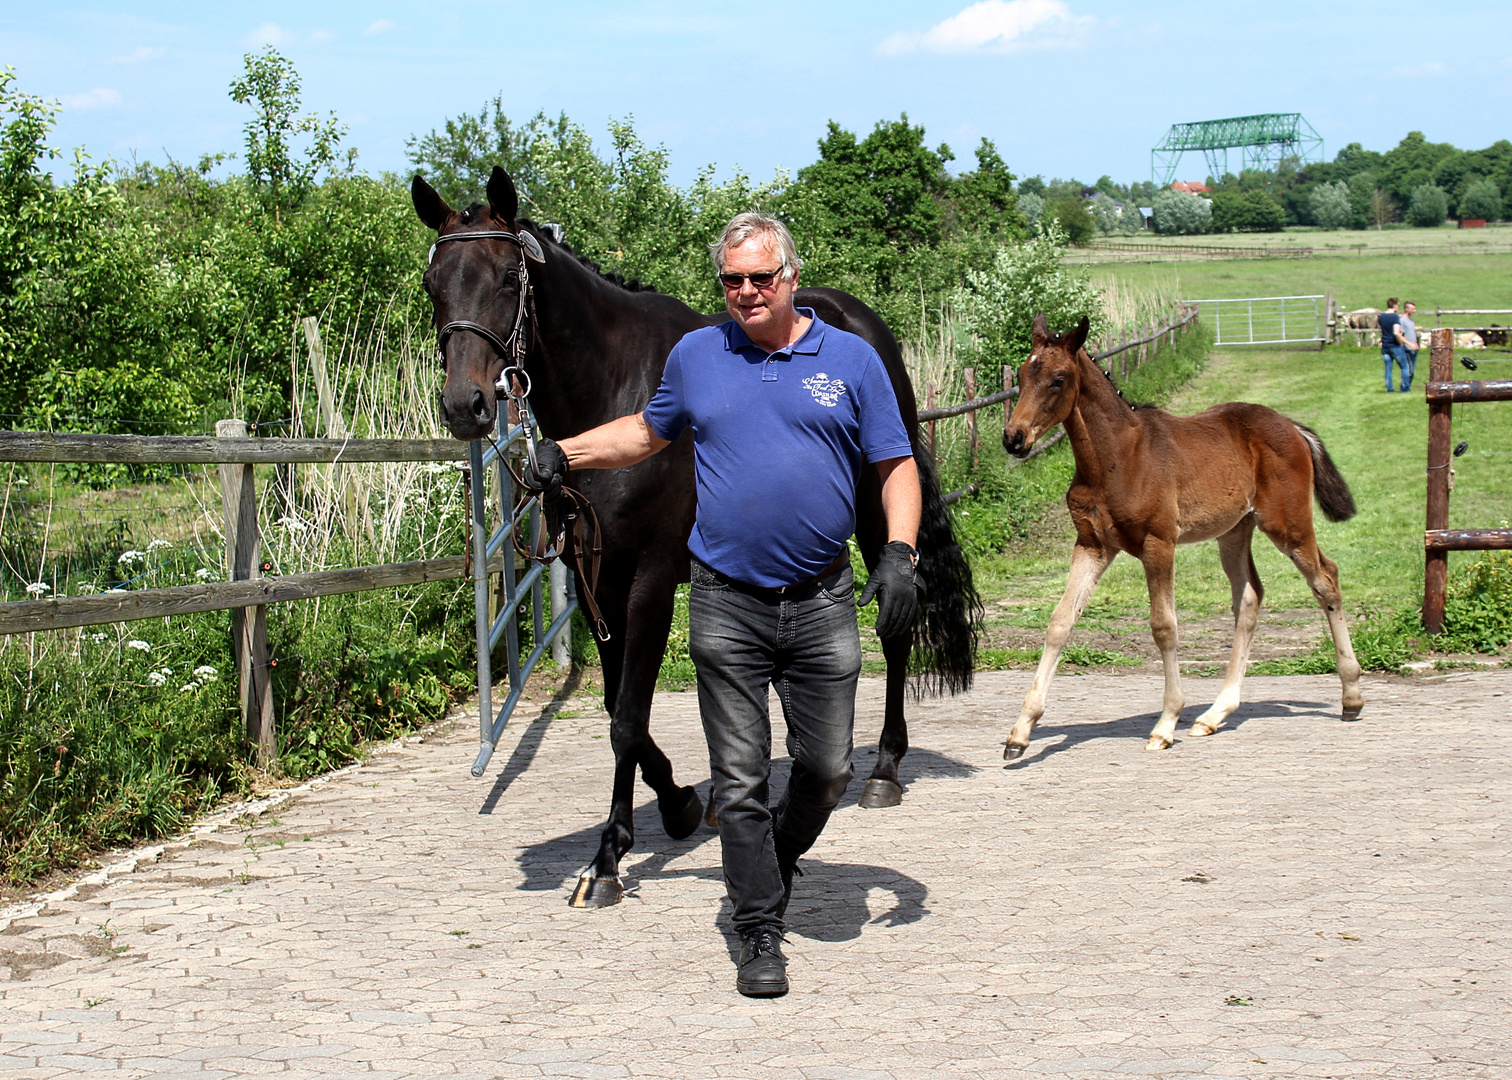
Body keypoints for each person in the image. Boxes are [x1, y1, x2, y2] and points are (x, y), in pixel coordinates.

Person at [520, 212, 921, 998]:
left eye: (760, 278)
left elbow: (894, 463)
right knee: (737, 781)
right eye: (731, 280)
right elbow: (645, 431)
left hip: (820, 598)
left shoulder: (849, 360)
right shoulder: (698, 354)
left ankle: (770, 856)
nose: (745, 292)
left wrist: (901, 553)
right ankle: (758, 930)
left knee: (829, 770)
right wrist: (561, 452)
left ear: (791, 277)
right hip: (726, 602)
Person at [1379, 298, 1406, 393]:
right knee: (1404, 366)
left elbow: (1381, 331)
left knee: (1388, 368)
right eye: (1398, 305)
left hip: (1385, 345)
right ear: (1394, 305)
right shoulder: (1395, 317)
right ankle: (1405, 388)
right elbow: (1396, 332)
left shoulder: (1381, 316)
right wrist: (1401, 343)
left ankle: (1389, 388)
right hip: (1394, 345)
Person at [1394, 300, 1420, 392]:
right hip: (1407, 349)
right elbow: (1400, 336)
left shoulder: (1411, 320)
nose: (1414, 311)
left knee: (1412, 371)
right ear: (1406, 309)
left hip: (1414, 348)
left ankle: (1406, 387)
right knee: (1408, 371)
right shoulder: (1402, 321)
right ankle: (1404, 389)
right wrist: (1410, 344)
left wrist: (1416, 343)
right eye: (1412, 309)